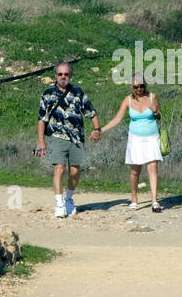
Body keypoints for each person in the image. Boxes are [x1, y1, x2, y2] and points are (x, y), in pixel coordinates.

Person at [35, 61, 101, 217]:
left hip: (77, 138)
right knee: (59, 168)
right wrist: (41, 141)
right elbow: (41, 119)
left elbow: (90, 112)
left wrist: (97, 129)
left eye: (66, 74)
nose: (63, 77)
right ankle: (59, 204)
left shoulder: (78, 92)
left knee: (75, 171)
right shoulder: (47, 94)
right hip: (57, 136)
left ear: (70, 76)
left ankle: (69, 199)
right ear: (55, 76)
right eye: (60, 74)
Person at [101, 74, 163, 212]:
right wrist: (101, 130)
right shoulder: (127, 100)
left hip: (152, 136)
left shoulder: (152, 97)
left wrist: (155, 111)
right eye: (136, 87)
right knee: (135, 170)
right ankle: (134, 199)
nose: (139, 89)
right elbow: (117, 119)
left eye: (141, 86)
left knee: (152, 167)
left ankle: (154, 201)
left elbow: (159, 115)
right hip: (135, 138)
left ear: (145, 85)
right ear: (131, 86)